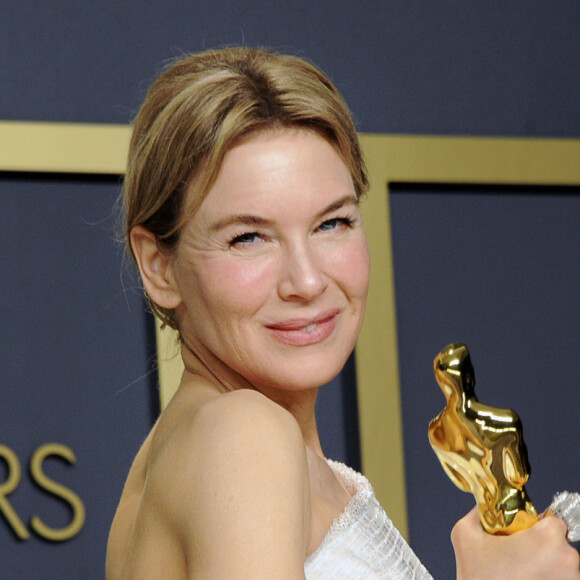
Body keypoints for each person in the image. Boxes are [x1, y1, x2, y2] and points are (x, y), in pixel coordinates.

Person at [106, 46, 579, 579]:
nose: (307, 281)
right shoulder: (243, 435)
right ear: (159, 266)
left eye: (332, 224)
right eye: (249, 237)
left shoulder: (186, 451)